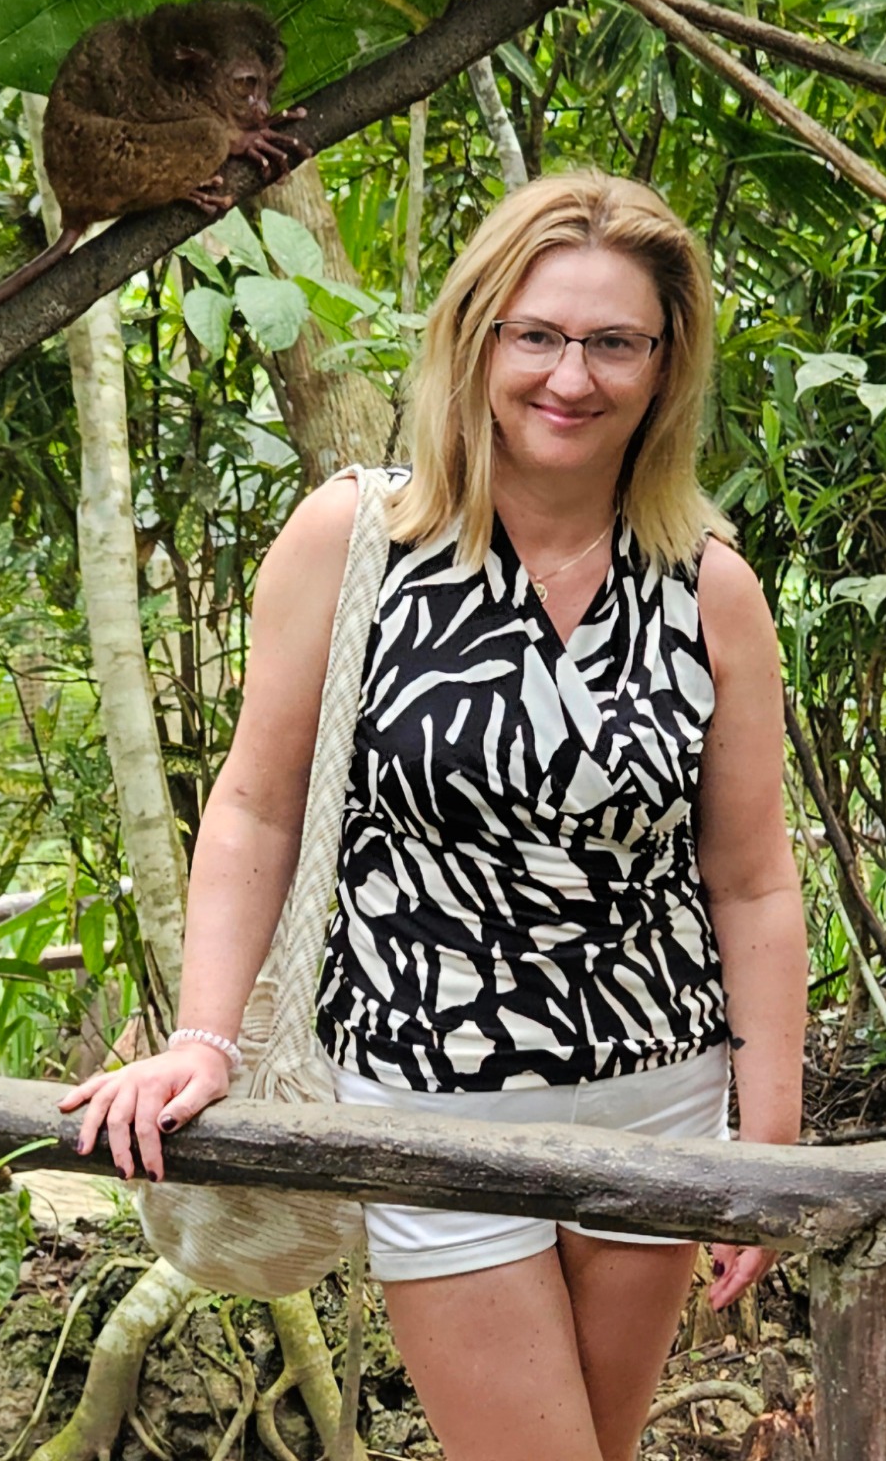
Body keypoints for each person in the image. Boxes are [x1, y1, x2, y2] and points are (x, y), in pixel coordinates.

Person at [61, 171, 805, 1461]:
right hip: (426, 1104)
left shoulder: (709, 586)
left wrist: (770, 1150)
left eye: (613, 342)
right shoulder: (357, 538)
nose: (571, 376)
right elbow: (253, 806)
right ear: (480, 340)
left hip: (661, 1107)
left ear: (664, 365)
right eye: (538, 335)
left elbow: (750, 879)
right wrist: (204, 1037)